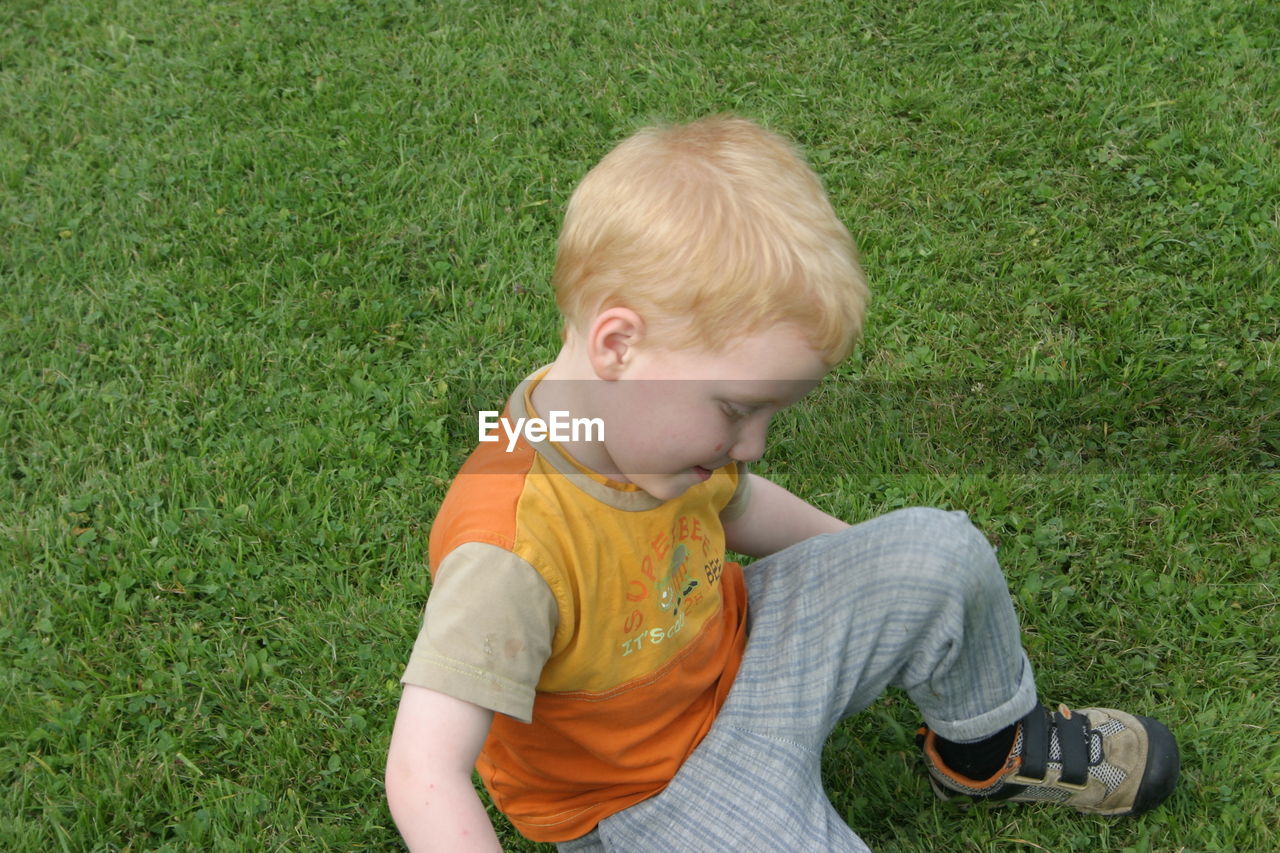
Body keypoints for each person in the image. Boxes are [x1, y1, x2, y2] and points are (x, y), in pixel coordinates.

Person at [383, 115, 1179, 852]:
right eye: (737, 408)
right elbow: (423, 769)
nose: (753, 442)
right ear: (618, 345)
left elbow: (742, 506)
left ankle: (987, 749)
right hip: (647, 790)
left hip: (744, 651)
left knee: (942, 551)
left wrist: (873, 571)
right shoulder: (509, 542)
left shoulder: (644, 426)